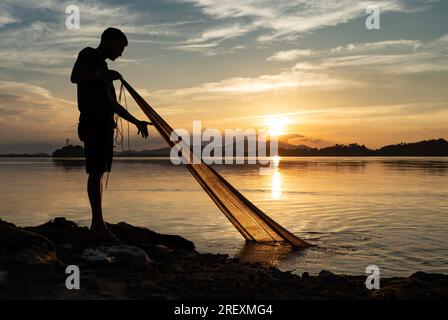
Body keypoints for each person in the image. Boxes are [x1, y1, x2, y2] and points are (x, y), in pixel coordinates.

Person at [70, 27, 151, 240]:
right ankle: (97, 224)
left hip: (106, 125)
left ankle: (98, 221)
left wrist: (137, 122)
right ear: (108, 41)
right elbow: (75, 76)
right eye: (120, 47)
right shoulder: (88, 54)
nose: (121, 53)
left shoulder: (106, 69)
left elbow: (114, 105)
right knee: (95, 172)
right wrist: (102, 75)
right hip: (92, 123)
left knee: (100, 172)